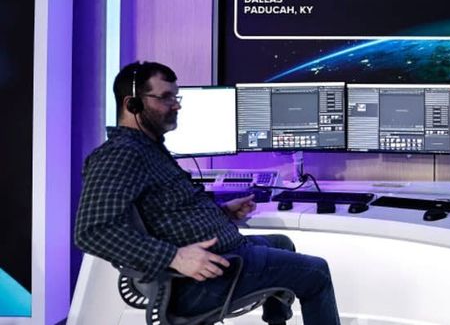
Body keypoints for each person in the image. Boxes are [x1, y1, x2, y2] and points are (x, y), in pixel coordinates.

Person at [74, 61, 342, 325]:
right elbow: (91, 231)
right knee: (316, 272)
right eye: (165, 97)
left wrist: (223, 212)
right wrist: (175, 258)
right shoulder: (120, 155)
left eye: (176, 96)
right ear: (132, 104)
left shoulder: (147, 147)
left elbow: (169, 210)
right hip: (194, 281)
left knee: (283, 243)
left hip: (220, 257)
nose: (176, 105)